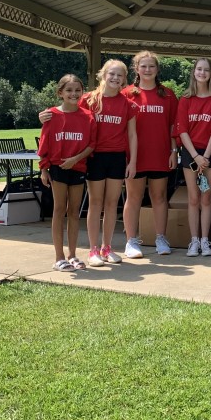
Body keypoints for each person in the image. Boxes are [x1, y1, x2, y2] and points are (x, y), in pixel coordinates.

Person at [122, 51, 178, 258]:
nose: (147, 70)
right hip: (135, 156)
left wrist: (174, 150)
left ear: (157, 69)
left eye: (151, 66)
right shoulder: (127, 93)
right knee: (134, 197)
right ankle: (131, 241)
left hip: (161, 153)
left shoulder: (168, 94)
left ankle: (161, 238)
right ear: (136, 69)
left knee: (159, 197)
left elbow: (174, 125)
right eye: (143, 66)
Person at [37, 74, 96, 272]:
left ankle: (72, 255)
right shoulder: (51, 115)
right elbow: (44, 145)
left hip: (78, 168)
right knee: (59, 209)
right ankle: (59, 257)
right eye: (69, 90)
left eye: (77, 90)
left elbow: (91, 144)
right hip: (57, 169)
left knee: (74, 211)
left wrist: (75, 159)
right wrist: (44, 169)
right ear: (60, 93)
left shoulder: (87, 116)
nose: (73, 94)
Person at [82, 60, 138, 267]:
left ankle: (107, 247)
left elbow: (132, 135)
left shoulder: (128, 104)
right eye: (111, 74)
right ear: (103, 75)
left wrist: (132, 161)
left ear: (124, 79)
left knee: (112, 203)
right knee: (95, 202)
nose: (115, 78)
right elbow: (69, 116)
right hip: (95, 157)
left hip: (117, 157)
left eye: (119, 75)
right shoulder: (88, 100)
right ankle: (93, 250)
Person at [175, 58, 211, 257]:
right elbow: (182, 130)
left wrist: (206, 157)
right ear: (193, 72)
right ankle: (194, 240)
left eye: (206, 70)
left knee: (207, 197)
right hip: (190, 152)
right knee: (193, 198)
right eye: (199, 69)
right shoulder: (185, 99)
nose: (202, 73)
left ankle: (205, 241)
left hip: (210, 153)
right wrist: (195, 156)